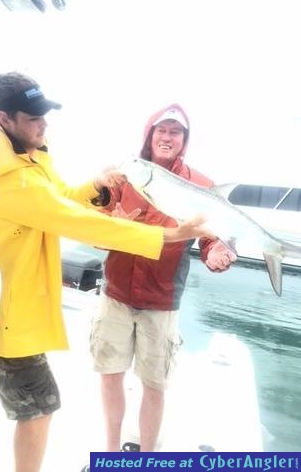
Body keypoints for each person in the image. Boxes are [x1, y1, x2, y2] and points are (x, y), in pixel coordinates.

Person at [0, 74, 215, 472]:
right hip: (12, 314)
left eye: (45, 115)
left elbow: (59, 199)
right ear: (5, 119)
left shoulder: (29, 159)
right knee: (39, 409)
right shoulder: (16, 179)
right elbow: (82, 223)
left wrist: (95, 185)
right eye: (33, 118)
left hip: (9, 304)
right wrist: (170, 234)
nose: (43, 125)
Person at [83, 103, 236, 468]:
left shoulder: (200, 184)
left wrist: (216, 251)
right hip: (116, 294)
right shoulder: (123, 177)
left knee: (155, 383)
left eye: (175, 133)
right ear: (149, 135)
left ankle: (147, 460)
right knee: (110, 374)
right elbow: (96, 230)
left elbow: (211, 236)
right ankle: (109, 455)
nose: (167, 138)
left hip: (162, 299)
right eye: (161, 131)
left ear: (184, 140)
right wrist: (111, 228)